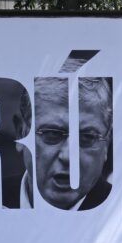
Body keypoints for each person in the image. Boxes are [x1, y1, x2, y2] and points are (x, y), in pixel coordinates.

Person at [33, 78, 113, 211]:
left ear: (107, 142)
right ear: (22, 132)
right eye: (52, 134)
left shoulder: (121, 211)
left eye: (87, 137)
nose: (68, 156)